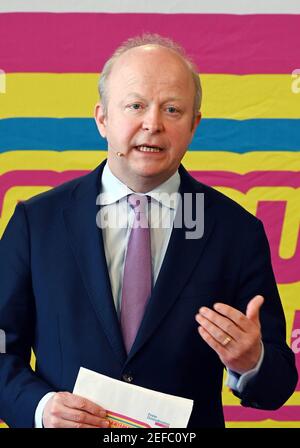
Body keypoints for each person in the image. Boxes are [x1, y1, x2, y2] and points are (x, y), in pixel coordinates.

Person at [0, 34, 297, 428]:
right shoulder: (36, 223)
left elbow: (277, 384)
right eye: (135, 105)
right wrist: (40, 409)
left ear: (194, 126)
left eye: (173, 109)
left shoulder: (237, 232)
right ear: (103, 118)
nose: (153, 124)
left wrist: (252, 361)